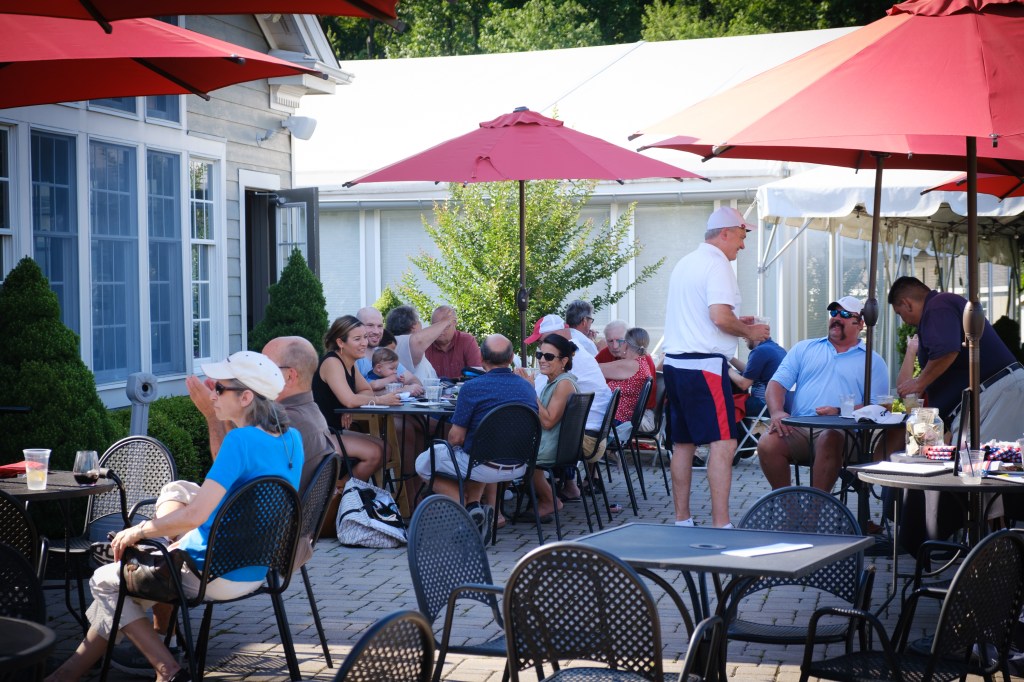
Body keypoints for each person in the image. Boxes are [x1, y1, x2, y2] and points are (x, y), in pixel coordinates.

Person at [47, 352, 303, 682]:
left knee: (104, 582)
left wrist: (138, 531)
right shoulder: (291, 440)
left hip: (209, 572)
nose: (211, 393)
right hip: (257, 569)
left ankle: (167, 670)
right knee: (124, 587)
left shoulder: (240, 440)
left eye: (219, 388)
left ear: (246, 397)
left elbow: (196, 514)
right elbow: (240, 497)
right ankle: (67, 674)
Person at [888, 276, 1024, 554]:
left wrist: (919, 382)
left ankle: (992, 549)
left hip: (997, 393)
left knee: (982, 472)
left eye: (901, 314)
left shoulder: (937, 306)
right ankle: (987, 546)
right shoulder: (942, 306)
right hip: (989, 397)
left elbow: (948, 351)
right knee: (979, 471)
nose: (905, 322)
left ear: (906, 302)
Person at [662, 206, 769, 528]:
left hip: (674, 365)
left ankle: (682, 520)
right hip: (704, 367)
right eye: (741, 235)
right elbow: (719, 317)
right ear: (724, 233)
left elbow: (708, 317)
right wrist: (750, 331)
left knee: (683, 444)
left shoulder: (686, 262)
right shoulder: (718, 265)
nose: (743, 244)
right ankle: (721, 524)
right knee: (724, 443)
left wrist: (739, 321)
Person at [756, 296, 890, 494]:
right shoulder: (804, 348)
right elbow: (776, 385)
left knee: (830, 436)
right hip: (801, 428)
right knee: (767, 442)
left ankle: (814, 515)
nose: (837, 318)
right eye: (833, 313)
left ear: (860, 323)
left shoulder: (872, 360)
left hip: (846, 434)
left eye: (845, 314)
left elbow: (880, 408)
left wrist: (839, 411)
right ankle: (789, 510)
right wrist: (776, 412)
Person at [414, 334, 537, 535]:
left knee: (424, 462)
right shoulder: (528, 387)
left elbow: (455, 438)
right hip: (520, 466)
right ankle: (474, 507)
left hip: (483, 464)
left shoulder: (472, 388)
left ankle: (463, 508)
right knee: (474, 454)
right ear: (512, 357)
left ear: (481, 357)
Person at [527, 314, 613, 485]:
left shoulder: (567, 362)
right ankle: (567, 487)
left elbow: (541, 404)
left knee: (514, 443)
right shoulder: (575, 351)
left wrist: (526, 387)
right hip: (593, 434)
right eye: (539, 350)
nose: (541, 352)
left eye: (542, 342)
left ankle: (544, 499)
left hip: (581, 439)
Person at [519, 333, 579, 520]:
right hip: (550, 442)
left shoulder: (564, 384)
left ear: (564, 361)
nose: (542, 360)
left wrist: (528, 389)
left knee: (501, 450)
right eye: (539, 355)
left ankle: (548, 499)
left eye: (549, 356)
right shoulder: (552, 382)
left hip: (552, 447)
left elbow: (548, 421)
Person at [597, 320, 657, 416]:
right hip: (611, 408)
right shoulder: (605, 353)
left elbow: (592, 369)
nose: (615, 346)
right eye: (610, 341)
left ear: (628, 341)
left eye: (620, 340)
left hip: (637, 414)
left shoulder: (638, 361)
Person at [385, 305, 455, 382]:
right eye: (418, 321)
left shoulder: (393, 343)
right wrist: (446, 321)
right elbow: (418, 341)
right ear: (413, 326)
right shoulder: (403, 342)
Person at [728, 334, 787, 416]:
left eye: (745, 331)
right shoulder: (778, 349)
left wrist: (727, 369)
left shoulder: (760, 351)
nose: (743, 337)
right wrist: (729, 357)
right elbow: (749, 372)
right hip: (779, 404)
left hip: (764, 405)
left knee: (724, 404)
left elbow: (744, 384)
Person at [423, 305, 483, 379]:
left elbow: (476, 373)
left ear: (455, 323)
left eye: (445, 326)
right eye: (436, 326)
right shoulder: (425, 345)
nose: (440, 330)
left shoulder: (467, 341)